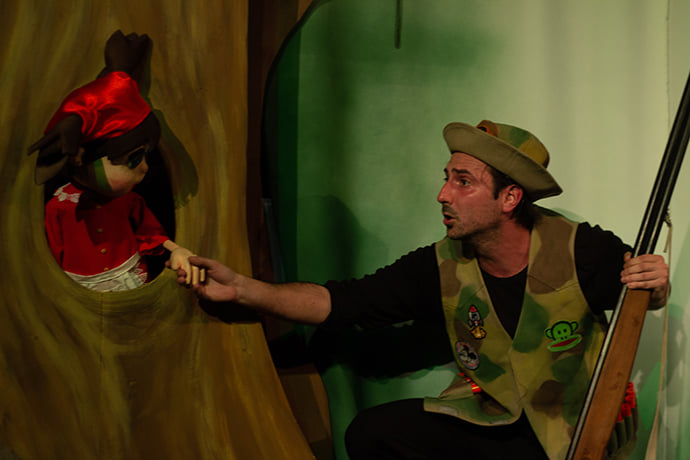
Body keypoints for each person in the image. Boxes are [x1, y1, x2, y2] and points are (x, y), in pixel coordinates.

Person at [173, 120, 669, 459]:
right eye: (446, 178)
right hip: (492, 422)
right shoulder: (439, 264)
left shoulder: (583, 249)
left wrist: (658, 284)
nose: (442, 194)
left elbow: (642, 289)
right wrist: (244, 289)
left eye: (463, 182)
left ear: (510, 197)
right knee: (372, 434)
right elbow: (342, 302)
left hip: (570, 433)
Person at [28, 31, 204, 291]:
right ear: (81, 159)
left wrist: (176, 250)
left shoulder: (129, 200)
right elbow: (51, 253)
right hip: (81, 286)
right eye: (132, 160)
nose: (145, 168)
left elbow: (149, 232)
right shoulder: (59, 207)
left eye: (144, 156)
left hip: (128, 274)